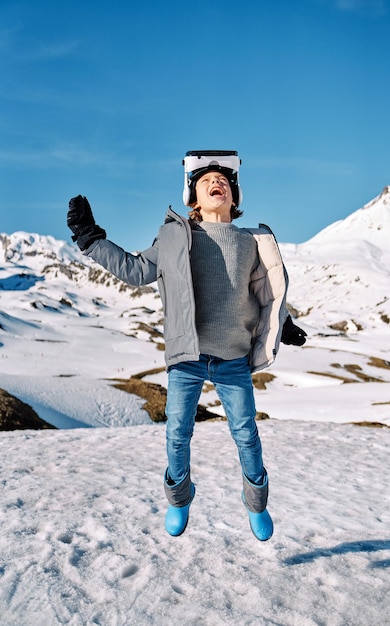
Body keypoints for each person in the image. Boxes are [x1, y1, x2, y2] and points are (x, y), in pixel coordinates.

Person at [67, 150, 306, 541]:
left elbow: (266, 292)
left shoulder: (253, 242)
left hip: (232, 360)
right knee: (177, 432)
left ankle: (256, 504)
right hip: (188, 358)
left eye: (225, 181)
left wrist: (285, 325)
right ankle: (180, 497)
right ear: (192, 197)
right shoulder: (176, 236)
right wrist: (91, 239)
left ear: (235, 197)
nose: (218, 183)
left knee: (246, 434)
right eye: (208, 179)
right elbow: (135, 269)